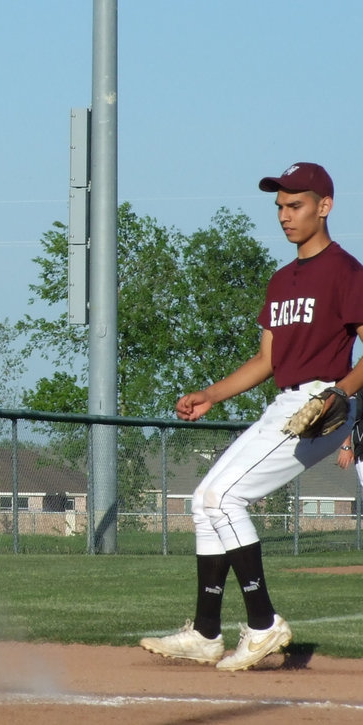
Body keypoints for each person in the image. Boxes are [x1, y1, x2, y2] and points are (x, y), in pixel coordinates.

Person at [141, 162, 363, 671]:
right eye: (280, 207)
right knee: (203, 501)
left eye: (296, 205)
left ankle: (263, 624)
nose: (285, 215)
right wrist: (212, 394)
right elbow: (267, 360)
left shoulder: (347, 273)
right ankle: (205, 631)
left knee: (225, 496)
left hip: (319, 407)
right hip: (286, 403)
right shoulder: (281, 280)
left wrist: (340, 393)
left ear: (324, 206)